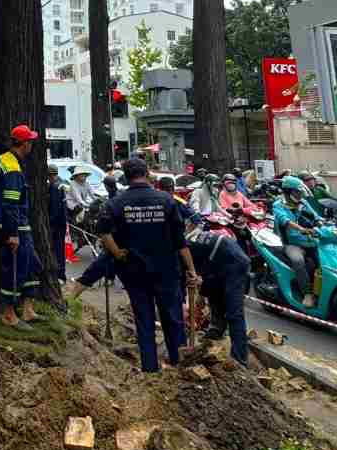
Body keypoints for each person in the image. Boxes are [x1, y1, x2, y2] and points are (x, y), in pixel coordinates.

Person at [97, 158, 200, 372]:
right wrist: (191, 270)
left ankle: (150, 369)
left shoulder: (116, 202)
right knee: (173, 319)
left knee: (144, 321)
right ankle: (178, 363)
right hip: (167, 271)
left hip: (134, 271)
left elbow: (104, 232)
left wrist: (117, 253)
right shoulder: (167, 200)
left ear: (125, 176)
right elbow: (180, 241)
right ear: (146, 173)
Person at [0, 125, 41, 327]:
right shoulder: (13, 170)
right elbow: (10, 204)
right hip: (13, 228)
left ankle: (28, 310)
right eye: (31, 142)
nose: (32, 145)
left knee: (32, 265)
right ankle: (9, 314)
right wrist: (12, 234)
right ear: (25, 144)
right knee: (15, 269)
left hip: (17, 226)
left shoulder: (4, 160)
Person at [188, 223, 252, 364]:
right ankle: (217, 329)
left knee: (234, 313)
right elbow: (203, 274)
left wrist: (199, 295)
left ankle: (239, 359)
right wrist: (202, 293)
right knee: (213, 291)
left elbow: (195, 276)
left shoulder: (184, 251)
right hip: (218, 262)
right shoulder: (190, 244)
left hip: (236, 264)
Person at [272, 175, 318, 307]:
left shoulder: (303, 202)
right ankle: (307, 293)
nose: (299, 195)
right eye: (297, 192)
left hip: (308, 239)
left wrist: (321, 222)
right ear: (288, 192)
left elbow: (315, 216)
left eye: (300, 192)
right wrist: (301, 229)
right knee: (298, 260)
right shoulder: (278, 205)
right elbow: (286, 221)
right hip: (289, 243)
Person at [48, 172, 70, 283]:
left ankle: (59, 274)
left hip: (56, 224)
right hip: (62, 222)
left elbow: (55, 208)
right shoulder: (63, 183)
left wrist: (50, 222)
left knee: (56, 250)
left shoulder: (54, 187)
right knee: (60, 249)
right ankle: (61, 274)